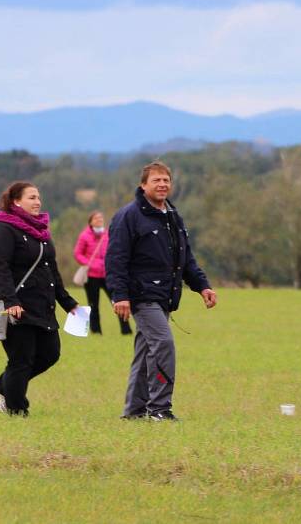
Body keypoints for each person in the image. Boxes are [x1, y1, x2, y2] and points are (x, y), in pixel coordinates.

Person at [106, 161, 216, 422]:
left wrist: (203, 286)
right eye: (156, 180)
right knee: (164, 345)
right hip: (142, 296)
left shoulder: (172, 217)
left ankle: (133, 411)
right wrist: (119, 295)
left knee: (145, 353)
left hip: (165, 296)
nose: (162, 184)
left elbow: (185, 258)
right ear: (143, 185)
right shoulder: (128, 216)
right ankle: (159, 409)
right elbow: (116, 259)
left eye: (166, 180)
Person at [0, 182, 78, 417]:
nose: (38, 202)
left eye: (38, 197)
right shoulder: (2, 230)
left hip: (42, 305)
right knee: (21, 359)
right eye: (31, 197)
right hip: (16, 306)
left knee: (50, 353)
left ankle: (0, 387)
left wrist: (68, 303)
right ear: (15, 201)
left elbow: (51, 270)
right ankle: (17, 410)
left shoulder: (41, 232)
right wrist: (11, 301)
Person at [73, 211, 132, 335]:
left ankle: (126, 330)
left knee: (118, 301)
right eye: (96, 218)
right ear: (91, 222)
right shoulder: (84, 236)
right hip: (91, 276)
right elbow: (77, 254)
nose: (99, 219)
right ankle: (96, 332)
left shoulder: (108, 234)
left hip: (108, 275)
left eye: (101, 217)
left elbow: (115, 250)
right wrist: (90, 263)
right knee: (94, 305)